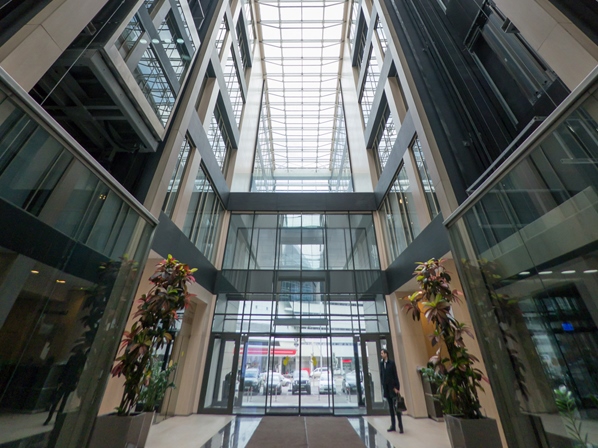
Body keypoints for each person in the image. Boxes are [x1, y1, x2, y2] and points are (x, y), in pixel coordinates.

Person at [379, 348, 404, 433]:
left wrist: (397, 387)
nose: (381, 355)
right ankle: (393, 425)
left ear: (386, 354)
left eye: (382, 353)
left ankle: (400, 426)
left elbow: (395, 375)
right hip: (386, 389)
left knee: (396, 408)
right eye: (381, 353)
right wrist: (383, 384)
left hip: (393, 388)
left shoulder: (391, 363)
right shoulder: (381, 364)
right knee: (391, 408)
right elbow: (382, 374)